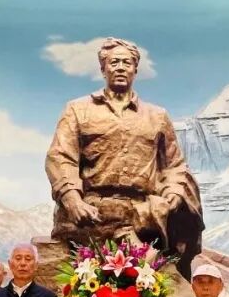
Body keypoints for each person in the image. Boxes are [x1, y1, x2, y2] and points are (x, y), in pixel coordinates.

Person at [45, 37, 204, 278]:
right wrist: (72, 199)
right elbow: (60, 157)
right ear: (103, 69)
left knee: (163, 273)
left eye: (127, 63)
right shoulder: (77, 109)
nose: (120, 67)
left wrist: (172, 191)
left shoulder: (157, 116)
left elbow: (174, 165)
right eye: (114, 62)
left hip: (142, 212)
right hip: (93, 210)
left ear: (135, 70)